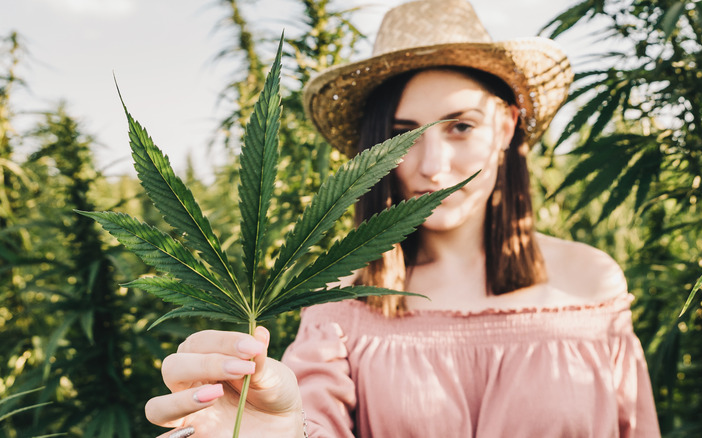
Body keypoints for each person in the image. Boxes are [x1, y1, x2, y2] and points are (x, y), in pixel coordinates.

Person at [145, 0, 661, 436]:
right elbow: (308, 421)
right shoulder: (341, 302)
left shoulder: (592, 284)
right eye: (404, 135)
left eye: (460, 126)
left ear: (506, 127)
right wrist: (277, 430)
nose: (433, 167)